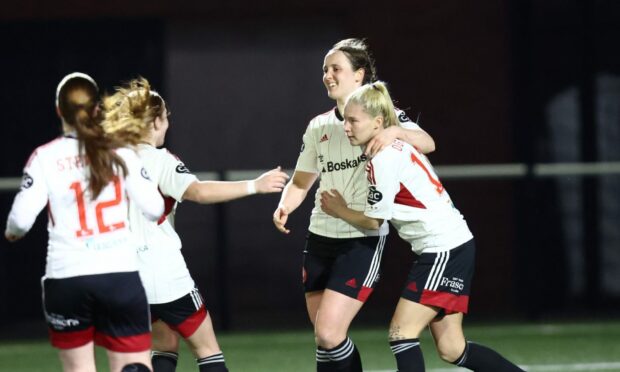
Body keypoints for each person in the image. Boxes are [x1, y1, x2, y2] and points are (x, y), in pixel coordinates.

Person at [320, 81, 524, 372]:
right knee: (453, 349)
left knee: (401, 335)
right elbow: (426, 143)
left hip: (443, 249)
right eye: (345, 120)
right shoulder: (396, 144)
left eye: (353, 121)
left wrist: (339, 209)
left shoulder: (384, 158)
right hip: (453, 244)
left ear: (378, 122)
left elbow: (375, 220)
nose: (347, 127)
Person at [103, 78, 289, 372]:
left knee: (163, 344)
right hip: (166, 274)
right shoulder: (161, 160)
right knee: (207, 350)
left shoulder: (108, 162)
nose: (167, 125)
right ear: (154, 122)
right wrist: (256, 185)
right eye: (166, 118)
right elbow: (198, 191)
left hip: (126, 275)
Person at [272, 38, 435, 372]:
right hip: (320, 236)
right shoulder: (319, 126)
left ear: (359, 75)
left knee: (330, 333)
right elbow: (302, 181)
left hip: (360, 239)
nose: (328, 76)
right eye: (325, 70)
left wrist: (395, 133)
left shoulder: (383, 118)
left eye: (336, 69)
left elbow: (428, 143)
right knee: (325, 339)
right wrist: (285, 204)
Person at [4, 72, 165, 372]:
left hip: (67, 278)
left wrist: (11, 234)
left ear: (58, 111)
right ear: (96, 110)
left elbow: (20, 222)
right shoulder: (120, 152)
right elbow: (155, 209)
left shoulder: (44, 157)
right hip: (119, 275)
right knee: (134, 367)